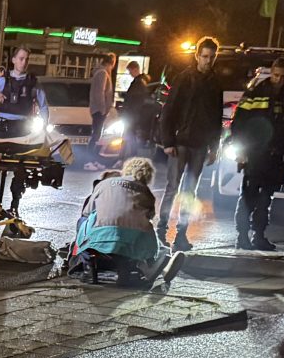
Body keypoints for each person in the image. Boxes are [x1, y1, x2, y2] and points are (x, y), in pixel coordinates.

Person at [229, 54, 284, 251]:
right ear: (271, 73)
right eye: (277, 75)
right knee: (249, 195)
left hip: (275, 154)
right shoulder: (256, 91)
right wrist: (241, 149)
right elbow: (239, 123)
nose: (279, 80)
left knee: (266, 197)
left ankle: (259, 236)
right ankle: (242, 236)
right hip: (254, 153)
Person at [160, 37, 224, 250]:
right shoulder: (184, 79)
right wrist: (168, 140)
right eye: (205, 56)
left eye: (212, 57)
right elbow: (169, 110)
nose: (208, 61)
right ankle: (161, 230)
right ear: (197, 56)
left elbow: (216, 118)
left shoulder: (215, 83)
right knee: (172, 188)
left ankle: (180, 236)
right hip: (181, 142)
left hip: (199, 144)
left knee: (190, 192)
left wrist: (214, 148)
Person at [73, 156, 161, 287]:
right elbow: (151, 215)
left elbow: (87, 211)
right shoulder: (146, 191)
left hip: (101, 233)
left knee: (83, 220)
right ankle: (134, 268)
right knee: (145, 227)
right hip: (132, 240)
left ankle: (88, 267)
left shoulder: (104, 183)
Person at [0, 45, 44, 207]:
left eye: (27, 59)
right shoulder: (3, 80)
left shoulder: (33, 82)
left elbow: (44, 106)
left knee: (21, 166)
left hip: (23, 129)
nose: (24, 62)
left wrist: (45, 130)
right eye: (21, 58)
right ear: (14, 60)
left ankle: (15, 203)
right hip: (4, 127)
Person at [118, 60, 156, 157]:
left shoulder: (138, 82)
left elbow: (134, 99)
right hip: (135, 115)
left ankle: (129, 157)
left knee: (129, 137)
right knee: (130, 136)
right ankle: (128, 156)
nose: (130, 73)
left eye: (130, 71)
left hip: (132, 115)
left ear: (135, 69)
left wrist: (126, 100)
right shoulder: (142, 81)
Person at [86, 56, 116, 168]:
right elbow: (100, 92)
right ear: (110, 63)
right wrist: (103, 109)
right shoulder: (103, 73)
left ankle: (93, 160)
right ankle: (89, 161)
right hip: (99, 110)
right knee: (96, 136)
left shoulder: (100, 72)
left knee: (97, 136)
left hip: (97, 109)